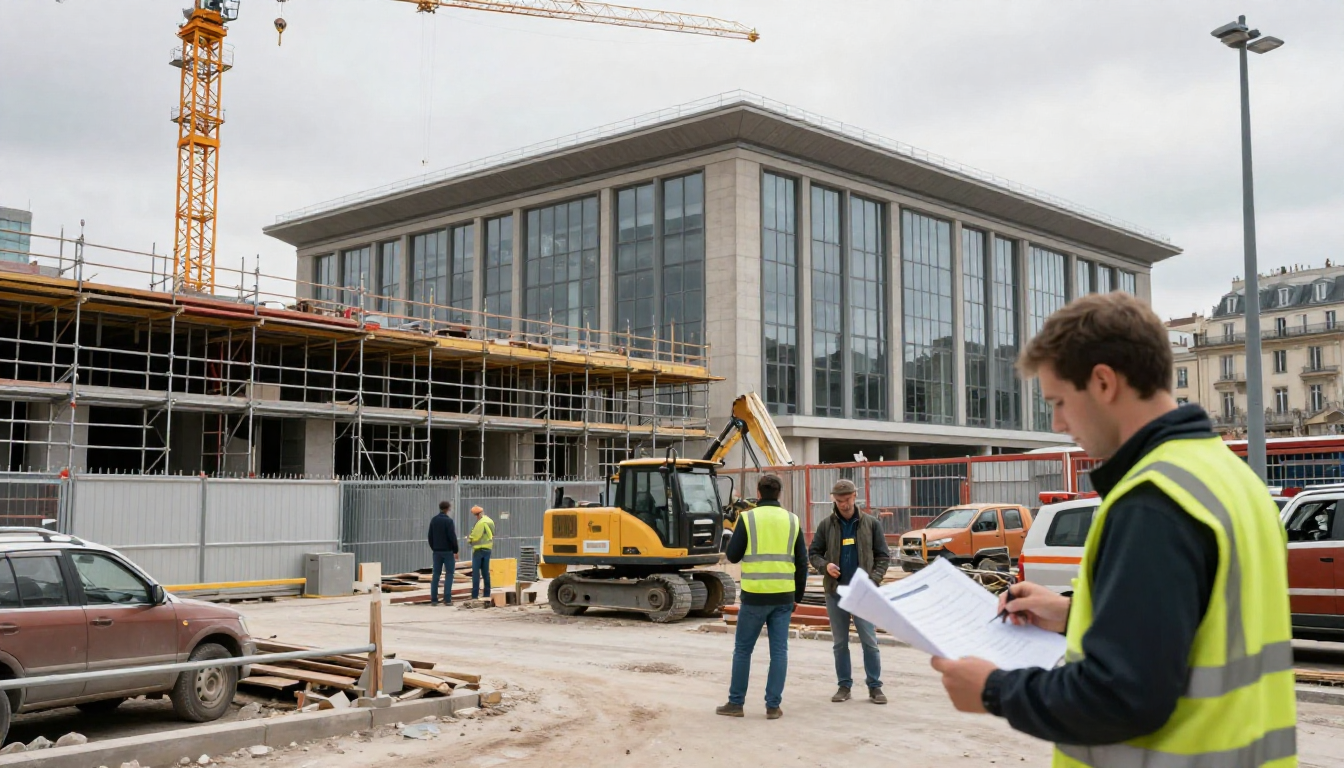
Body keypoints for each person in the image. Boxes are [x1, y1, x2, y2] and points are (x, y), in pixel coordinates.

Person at [931, 292, 1296, 767]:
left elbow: (1121, 697)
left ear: (1103, 382)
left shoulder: (1153, 502)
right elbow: (1199, 621)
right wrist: (1075, 613)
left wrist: (994, 690)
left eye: (1059, 402)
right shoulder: (1231, 479)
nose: (1059, 423)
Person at [716, 474, 807, 720]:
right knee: (779, 652)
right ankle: (773, 706)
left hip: (755, 596)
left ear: (758, 492)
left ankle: (736, 704)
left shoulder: (747, 518)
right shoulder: (792, 520)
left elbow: (733, 556)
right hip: (783, 597)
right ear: (779, 493)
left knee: (743, 650)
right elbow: (802, 561)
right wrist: (797, 595)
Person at [808, 478, 891, 705]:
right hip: (836, 592)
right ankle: (844, 686)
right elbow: (814, 553)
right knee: (840, 642)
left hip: (863, 593)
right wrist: (825, 566)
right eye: (839, 501)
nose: (843, 505)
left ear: (855, 496)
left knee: (869, 641)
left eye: (846, 500)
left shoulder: (871, 524)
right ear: (833, 500)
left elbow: (883, 557)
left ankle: (875, 687)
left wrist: (873, 580)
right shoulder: (827, 525)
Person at [426, 500, 460, 606]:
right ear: (448, 509)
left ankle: (434, 599)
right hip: (448, 551)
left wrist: (434, 548)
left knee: (436, 574)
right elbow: (452, 537)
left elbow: (430, 537)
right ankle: (447, 599)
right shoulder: (448, 521)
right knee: (449, 574)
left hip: (437, 551)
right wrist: (455, 550)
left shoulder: (434, 520)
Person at [467, 505, 495, 599]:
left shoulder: (480, 523)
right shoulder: (490, 521)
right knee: (486, 573)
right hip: (488, 549)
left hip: (478, 550)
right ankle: (487, 593)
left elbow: (475, 537)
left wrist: (469, 539)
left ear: (477, 515)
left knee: (476, 573)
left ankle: (475, 595)